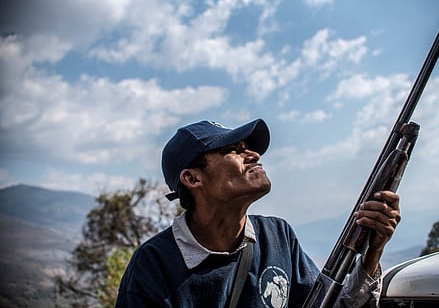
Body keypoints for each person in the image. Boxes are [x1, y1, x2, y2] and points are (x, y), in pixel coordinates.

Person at [115, 118, 401, 308]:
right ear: (192, 179)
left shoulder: (278, 236)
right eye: (234, 150)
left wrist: (371, 252)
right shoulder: (153, 264)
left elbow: (327, 304)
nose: (254, 155)